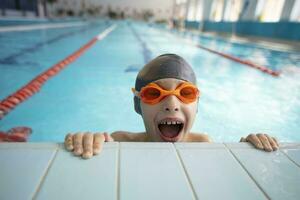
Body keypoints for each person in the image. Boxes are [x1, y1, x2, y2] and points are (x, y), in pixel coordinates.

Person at [64, 54, 279, 159]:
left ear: (197, 105)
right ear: (137, 105)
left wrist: (245, 148)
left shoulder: (204, 144)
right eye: (154, 94)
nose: (171, 105)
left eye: (186, 93)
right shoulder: (119, 141)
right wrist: (90, 141)